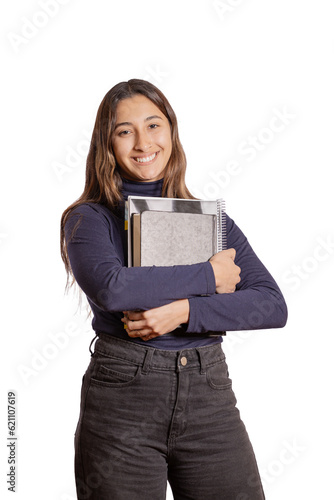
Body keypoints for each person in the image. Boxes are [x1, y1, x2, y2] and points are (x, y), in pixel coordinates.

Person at [60, 79, 287, 500]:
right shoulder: (88, 220)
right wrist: (208, 277)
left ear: (171, 132)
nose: (143, 142)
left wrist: (183, 310)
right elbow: (114, 288)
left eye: (154, 125)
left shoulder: (211, 221)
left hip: (209, 395)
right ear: (106, 144)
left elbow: (271, 305)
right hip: (123, 399)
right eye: (124, 131)